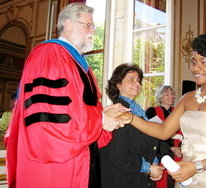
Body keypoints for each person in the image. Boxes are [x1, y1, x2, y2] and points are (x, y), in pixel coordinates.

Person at [4, 3, 130, 188]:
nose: (92, 31)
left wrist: (108, 116)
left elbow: (80, 108)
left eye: (92, 26)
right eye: (87, 25)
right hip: (56, 163)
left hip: (82, 158)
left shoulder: (81, 66)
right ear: (68, 24)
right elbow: (51, 116)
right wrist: (100, 119)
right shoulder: (49, 54)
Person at [117, 31, 206, 188]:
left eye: (203, 62)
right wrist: (131, 118)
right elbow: (164, 131)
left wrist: (196, 166)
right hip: (186, 173)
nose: (195, 68)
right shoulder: (187, 98)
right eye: (193, 62)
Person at [100, 63, 164, 188]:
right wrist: (149, 168)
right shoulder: (116, 111)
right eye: (131, 80)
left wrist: (154, 164)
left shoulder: (136, 109)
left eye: (138, 80)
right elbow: (118, 155)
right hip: (121, 179)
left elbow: (148, 141)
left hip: (138, 178)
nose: (137, 84)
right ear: (118, 84)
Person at [146, 85, 183, 188]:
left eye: (172, 94)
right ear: (160, 97)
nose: (171, 96)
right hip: (160, 154)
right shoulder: (152, 111)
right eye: (167, 94)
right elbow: (151, 134)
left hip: (178, 154)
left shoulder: (179, 112)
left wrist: (181, 149)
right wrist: (170, 148)